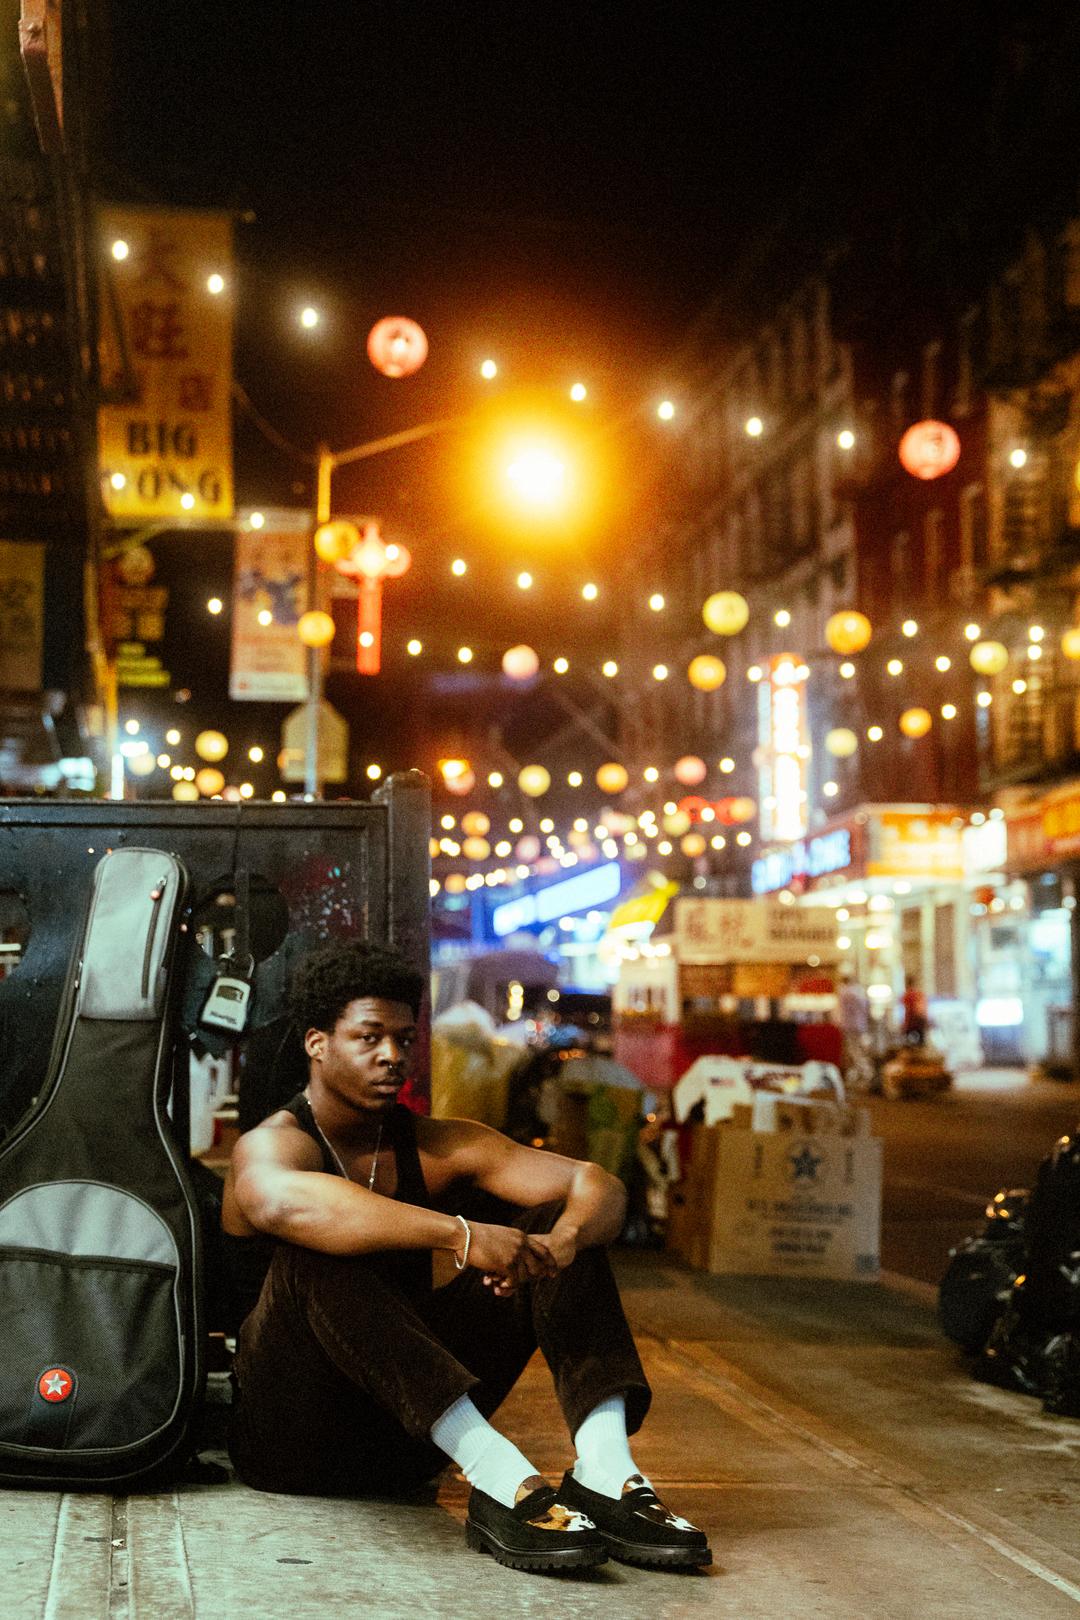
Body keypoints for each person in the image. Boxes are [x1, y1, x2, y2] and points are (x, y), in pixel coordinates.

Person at [221, 940, 710, 1575]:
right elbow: (285, 1205)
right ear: (318, 1043)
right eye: (368, 1038)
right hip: (290, 1441)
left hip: (410, 1435)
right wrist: (462, 1233)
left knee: (558, 1229)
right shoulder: (270, 1145)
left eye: (402, 1039)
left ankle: (606, 1470)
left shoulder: (438, 1144)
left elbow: (599, 1185)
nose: (392, 1056)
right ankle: (502, 1475)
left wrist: (559, 1245)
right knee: (317, 1251)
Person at [899, 974, 929, 1045]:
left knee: (908, 1044)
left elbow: (904, 1010)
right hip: (920, 1023)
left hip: (910, 1023)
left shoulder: (906, 995)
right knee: (921, 1044)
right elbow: (924, 1010)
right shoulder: (920, 995)